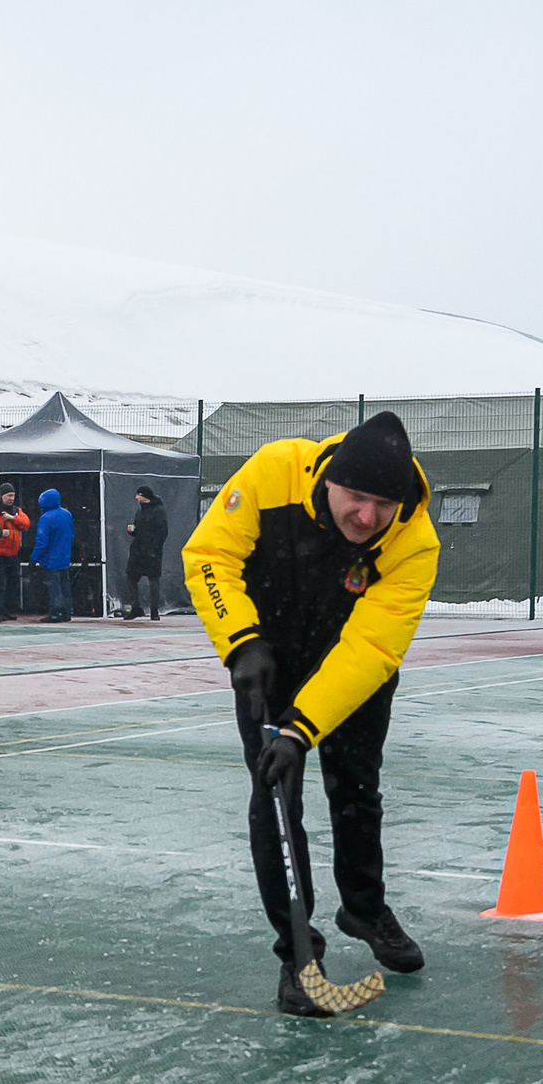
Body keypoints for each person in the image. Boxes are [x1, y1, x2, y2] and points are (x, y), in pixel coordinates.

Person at [184, 410, 440, 1015]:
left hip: (354, 670)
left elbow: (373, 646)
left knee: (357, 787)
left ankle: (363, 906)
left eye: (384, 504)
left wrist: (303, 729)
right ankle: (299, 958)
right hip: (268, 662)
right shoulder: (273, 474)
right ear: (330, 481)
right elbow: (210, 556)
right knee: (275, 801)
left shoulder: (414, 539)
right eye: (356, 498)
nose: (368, 517)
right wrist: (241, 642)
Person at [121, 485, 171, 620]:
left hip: (152, 552)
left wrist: (153, 548)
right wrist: (132, 531)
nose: (136, 497)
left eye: (139, 495)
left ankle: (154, 610)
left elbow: (162, 532)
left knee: (153, 579)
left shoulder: (159, 512)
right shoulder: (139, 512)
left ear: (145, 497)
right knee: (131, 577)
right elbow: (140, 532)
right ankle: (135, 607)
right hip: (137, 551)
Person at [31, 487, 76, 621]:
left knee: (54, 587)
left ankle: (55, 612)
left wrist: (34, 558)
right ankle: (66, 611)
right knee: (64, 585)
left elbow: (42, 541)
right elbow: (71, 535)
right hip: (64, 556)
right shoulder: (67, 514)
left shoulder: (46, 518)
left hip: (50, 559)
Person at [0, 484, 31, 620]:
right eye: (8, 495)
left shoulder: (16, 510)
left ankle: (7, 608)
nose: (11, 498)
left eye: (13, 496)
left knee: (12, 582)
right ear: (2, 496)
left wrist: (12, 518)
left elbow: (26, 523)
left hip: (12, 553)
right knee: (0, 583)